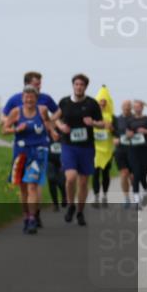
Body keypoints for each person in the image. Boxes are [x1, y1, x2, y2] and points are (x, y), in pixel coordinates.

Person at [2, 85, 56, 233]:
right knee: (23, 189)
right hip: (21, 153)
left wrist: (52, 132)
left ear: (36, 99)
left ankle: (32, 218)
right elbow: (4, 130)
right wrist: (16, 129)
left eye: (32, 97)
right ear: (22, 99)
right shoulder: (16, 112)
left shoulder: (42, 110)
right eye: (26, 97)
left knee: (32, 185)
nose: (29, 100)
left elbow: (47, 122)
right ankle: (26, 216)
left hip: (38, 152)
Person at [56, 74, 105, 226]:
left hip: (87, 147)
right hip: (68, 145)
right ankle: (71, 205)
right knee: (70, 178)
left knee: (83, 182)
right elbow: (54, 118)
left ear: (85, 87)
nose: (79, 87)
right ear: (73, 85)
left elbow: (103, 124)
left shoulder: (92, 104)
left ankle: (80, 212)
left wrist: (93, 123)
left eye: (81, 85)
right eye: (76, 84)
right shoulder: (64, 102)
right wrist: (60, 126)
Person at [126, 99, 147, 210]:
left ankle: (146, 191)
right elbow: (126, 133)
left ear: (142, 107)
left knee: (143, 175)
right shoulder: (130, 120)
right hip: (133, 150)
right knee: (136, 174)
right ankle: (137, 200)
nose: (136, 108)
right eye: (135, 107)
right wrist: (129, 135)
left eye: (138, 106)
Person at [91, 85, 116, 207]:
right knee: (95, 173)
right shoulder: (91, 116)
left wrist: (112, 129)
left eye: (104, 101)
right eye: (100, 101)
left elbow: (117, 133)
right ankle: (96, 197)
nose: (102, 104)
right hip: (94, 149)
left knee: (105, 174)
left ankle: (105, 195)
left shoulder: (112, 117)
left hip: (107, 150)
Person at [112, 99, 135, 208]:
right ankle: (126, 199)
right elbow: (113, 133)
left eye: (128, 106)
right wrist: (114, 139)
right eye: (125, 106)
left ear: (131, 107)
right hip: (120, 150)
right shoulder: (117, 119)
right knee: (124, 174)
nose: (126, 108)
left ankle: (137, 197)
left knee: (133, 176)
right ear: (121, 107)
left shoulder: (136, 119)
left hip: (133, 150)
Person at [46, 129, 67, 211]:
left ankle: (64, 196)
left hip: (62, 159)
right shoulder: (46, 129)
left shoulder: (63, 127)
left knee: (61, 182)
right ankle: (55, 204)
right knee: (51, 179)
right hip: (50, 159)